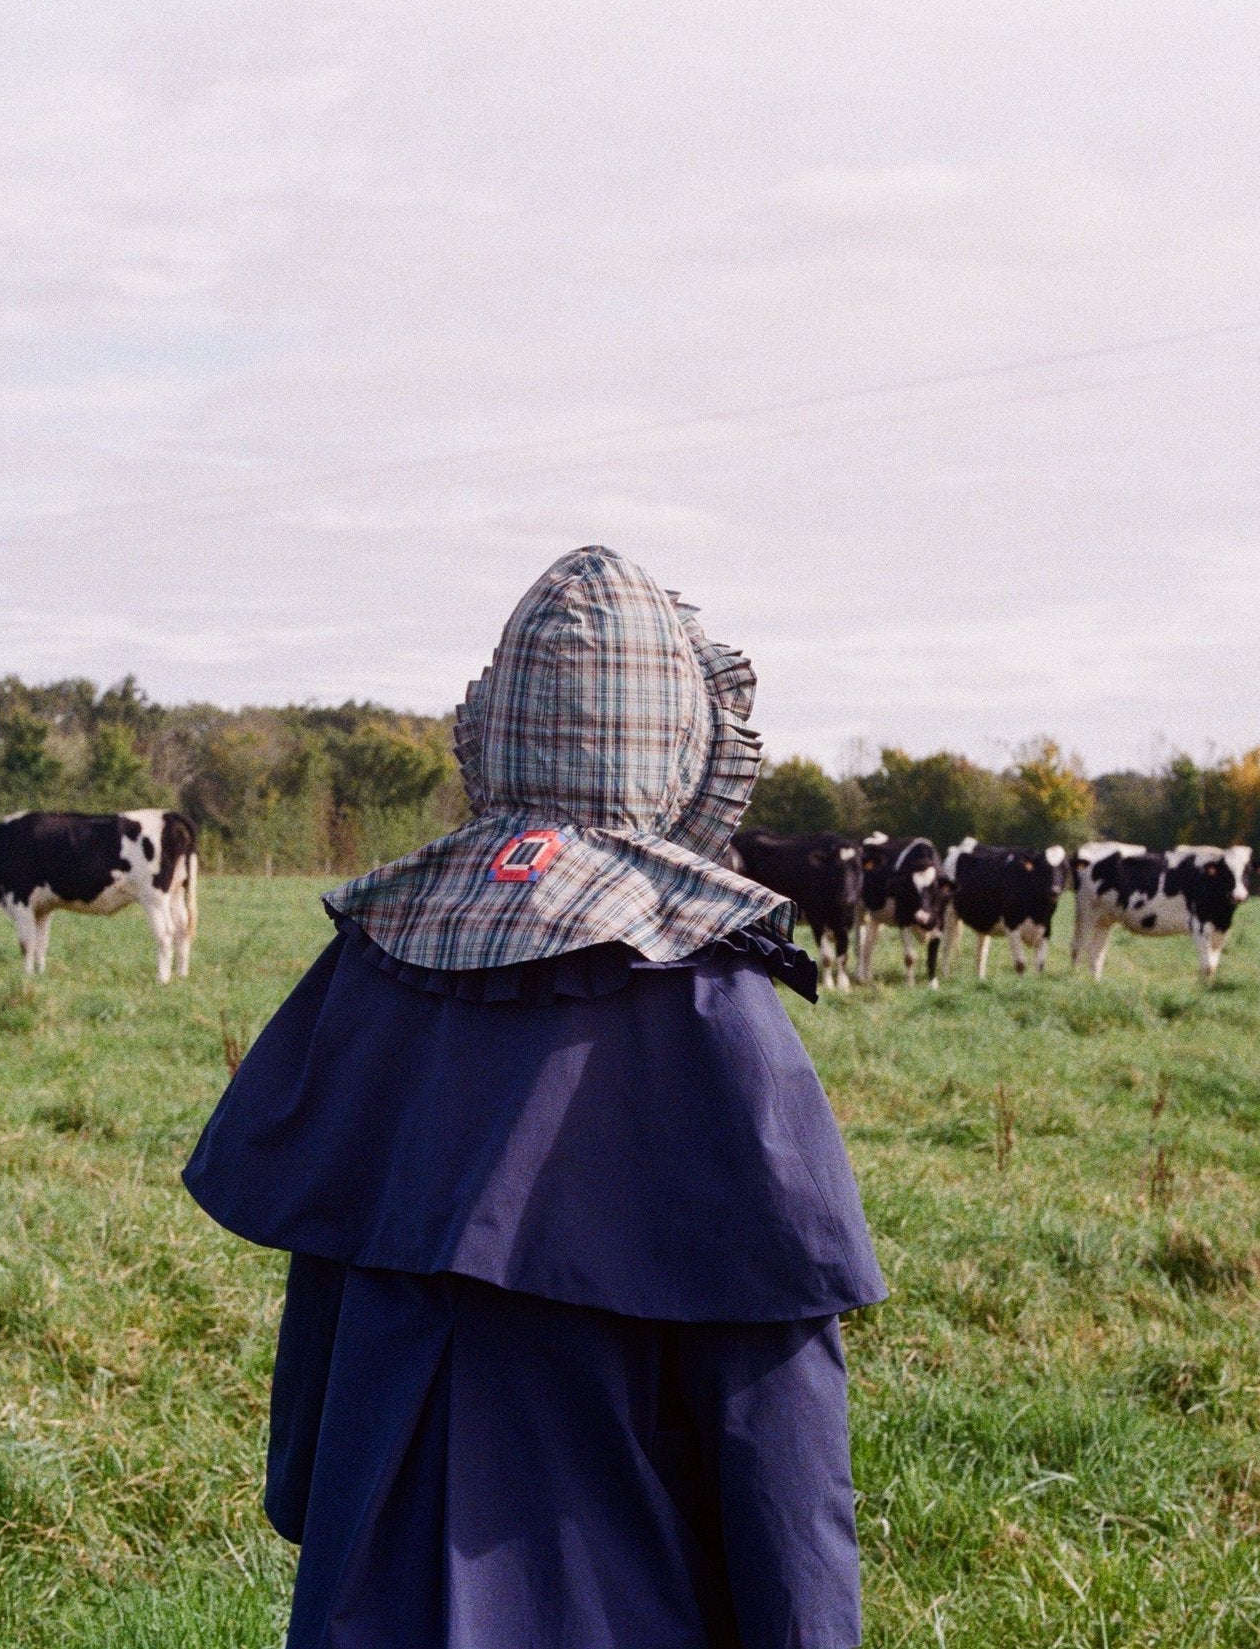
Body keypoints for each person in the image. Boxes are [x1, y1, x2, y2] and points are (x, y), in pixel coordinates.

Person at [184, 546, 885, 1648]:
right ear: (684, 752)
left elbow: (306, 1419)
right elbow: (777, 1450)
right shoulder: (712, 1016)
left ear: (493, 728)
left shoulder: (374, 971)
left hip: (369, 1599)